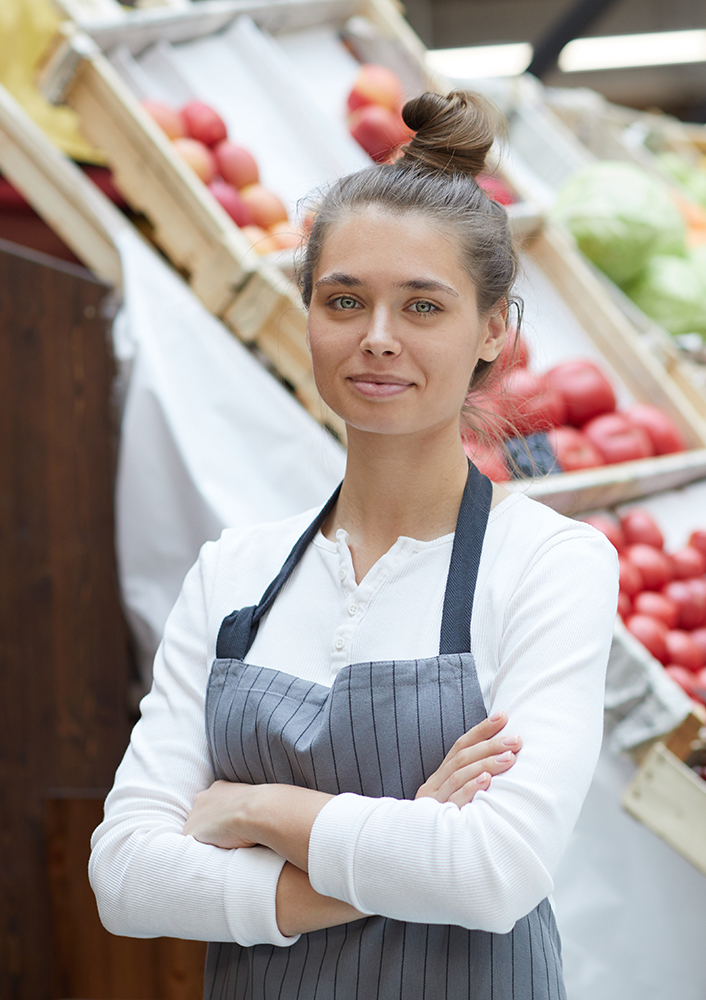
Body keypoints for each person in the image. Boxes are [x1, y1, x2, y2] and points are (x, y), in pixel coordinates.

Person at [90, 90, 618, 999]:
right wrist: (402, 840)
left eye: (423, 306)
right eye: (345, 300)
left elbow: (494, 873)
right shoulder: (235, 575)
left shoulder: (549, 565)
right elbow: (126, 879)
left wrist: (258, 809)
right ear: (308, 313)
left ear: (494, 330)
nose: (377, 339)